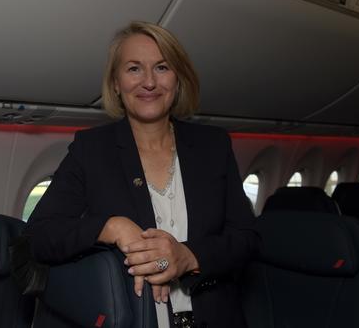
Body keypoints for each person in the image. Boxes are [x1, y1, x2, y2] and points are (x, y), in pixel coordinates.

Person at [25, 21, 259, 328]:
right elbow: (39, 236)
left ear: (178, 80)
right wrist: (110, 227)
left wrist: (188, 256)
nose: (149, 82)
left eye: (162, 68)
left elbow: (247, 238)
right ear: (115, 84)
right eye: (134, 69)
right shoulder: (92, 150)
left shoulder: (213, 146)